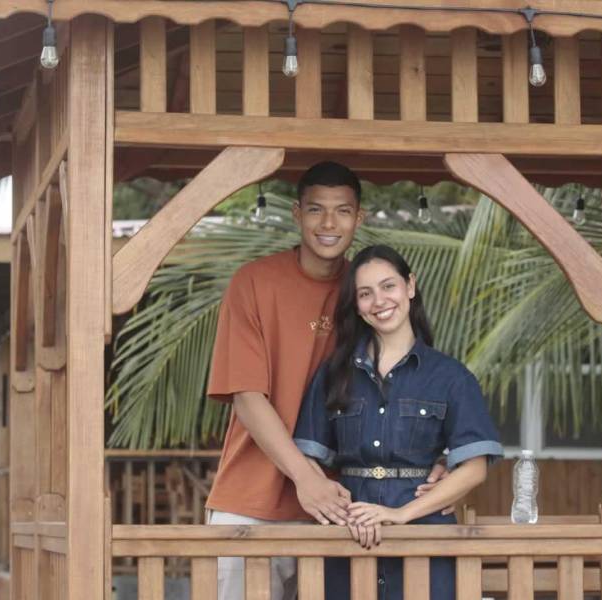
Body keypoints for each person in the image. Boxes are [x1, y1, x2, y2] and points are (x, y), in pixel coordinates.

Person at [206, 163, 450, 600]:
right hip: (254, 499)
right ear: (297, 214)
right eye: (317, 210)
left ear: (360, 218)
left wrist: (438, 461)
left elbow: (413, 378)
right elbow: (247, 396)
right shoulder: (254, 283)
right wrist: (307, 479)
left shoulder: (369, 291)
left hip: (351, 504)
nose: (329, 223)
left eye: (342, 211)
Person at [293, 244, 504, 600]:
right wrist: (337, 509)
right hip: (348, 538)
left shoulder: (451, 376)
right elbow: (307, 458)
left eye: (388, 286)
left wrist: (401, 515)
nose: (379, 301)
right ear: (356, 306)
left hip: (426, 537)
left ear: (410, 286)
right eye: (365, 293)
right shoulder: (333, 374)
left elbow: (475, 468)